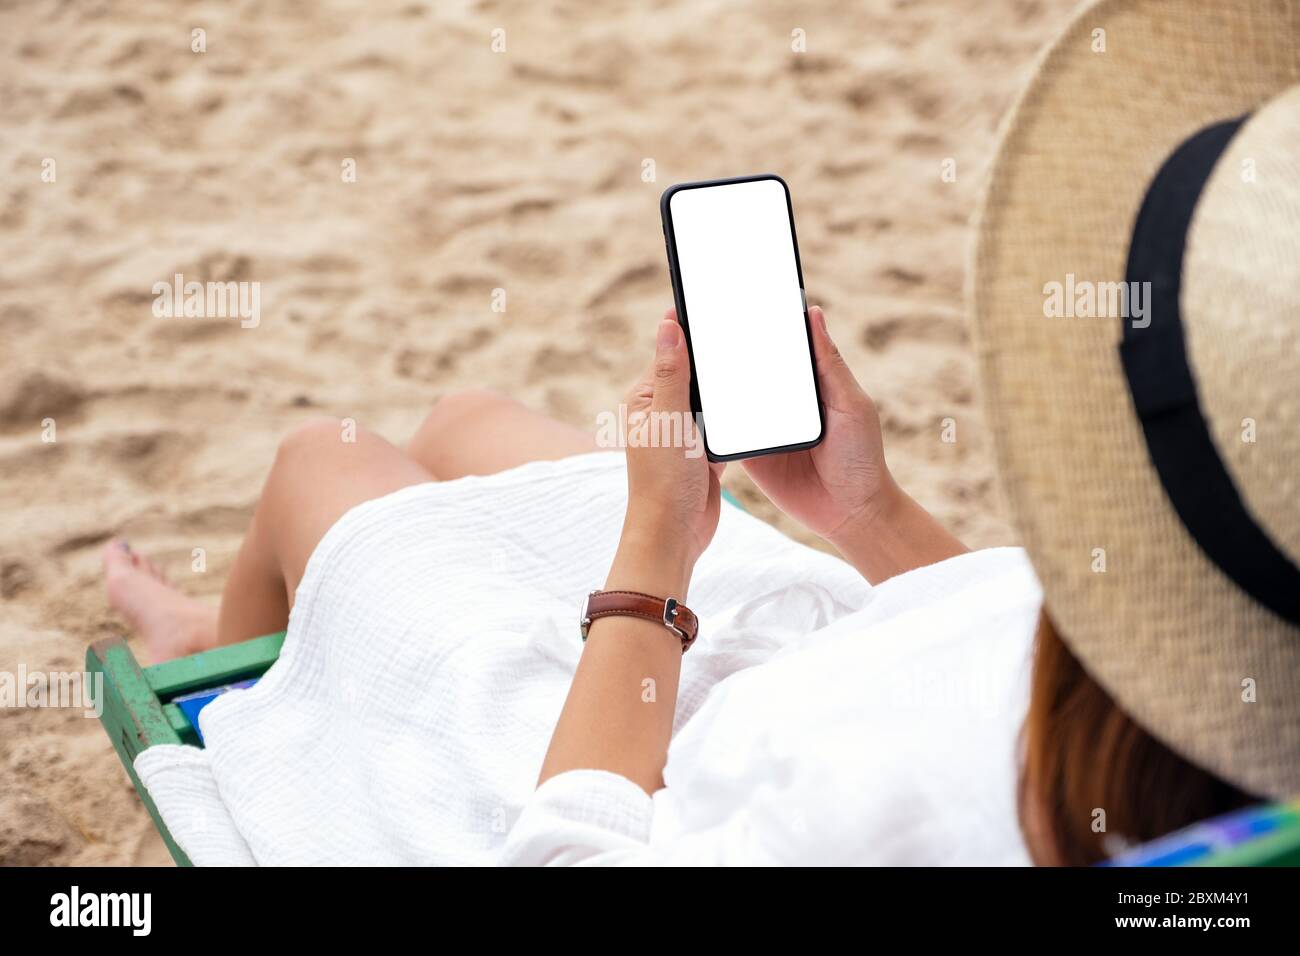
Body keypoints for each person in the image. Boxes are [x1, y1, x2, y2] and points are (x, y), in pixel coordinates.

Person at [108, 0, 1299, 865]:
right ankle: (255, 634)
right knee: (466, 424)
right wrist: (864, 513)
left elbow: (568, 858)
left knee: (328, 452)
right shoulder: (1235, 662)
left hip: (588, 772)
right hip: (811, 661)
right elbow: (1052, 644)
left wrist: (656, 556)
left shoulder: (913, 812)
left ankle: (231, 662)